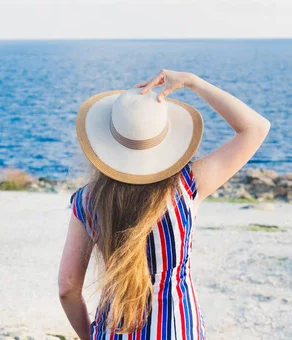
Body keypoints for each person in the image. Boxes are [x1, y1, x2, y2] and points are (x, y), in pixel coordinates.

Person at [58, 69, 271, 339]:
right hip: (180, 329)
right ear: (165, 138)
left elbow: (67, 288)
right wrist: (194, 82)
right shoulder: (188, 185)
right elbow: (255, 128)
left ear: (107, 142)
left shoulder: (86, 201)